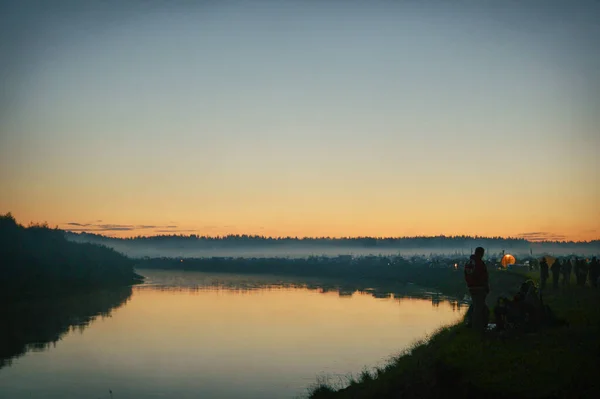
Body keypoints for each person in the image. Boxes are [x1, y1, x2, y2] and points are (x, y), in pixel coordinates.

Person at [464, 247, 489, 333]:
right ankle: (476, 327)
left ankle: (470, 321)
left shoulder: (468, 262)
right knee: (478, 308)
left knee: (475, 305)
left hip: (471, 287)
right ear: (480, 253)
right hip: (479, 287)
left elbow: (466, 275)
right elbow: (483, 276)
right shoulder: (479, 263)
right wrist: (485, 286)